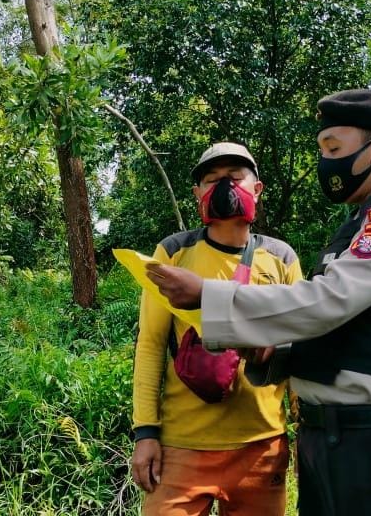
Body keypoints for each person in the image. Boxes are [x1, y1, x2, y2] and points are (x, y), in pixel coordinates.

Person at [146, 89, 371, 516]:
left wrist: (207, 294)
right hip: (331, 440)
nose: (325, 160)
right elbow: (341, 328)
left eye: (334, 148)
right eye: (321, 149)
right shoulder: (358, 223)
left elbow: (326, 303)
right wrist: (274, 355)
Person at [130, 142, 303, 516]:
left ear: (257, 189)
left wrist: (303, 431)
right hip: (182, 447)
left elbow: (298, 349)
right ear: (198, 195)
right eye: (211, 180)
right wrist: (145, 432)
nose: (223, 187)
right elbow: (150, 344)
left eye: (235, 178)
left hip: (261, 446)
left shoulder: (281, 258)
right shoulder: (174, 254)